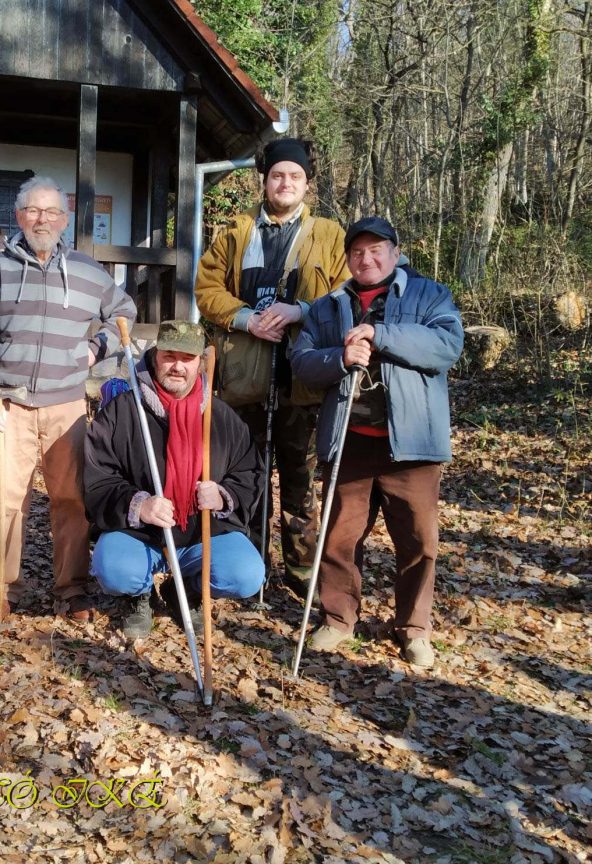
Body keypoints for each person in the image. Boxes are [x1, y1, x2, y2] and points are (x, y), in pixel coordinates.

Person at [290, 216, 464, 667]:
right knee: (338, 537)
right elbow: (303, 362)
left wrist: (379, 334)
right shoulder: (327, 306)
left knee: (418, 541)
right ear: (348, 257)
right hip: (349, 442)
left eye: (376, 250)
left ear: (394, 252)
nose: (366, 259)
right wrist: (340, 357)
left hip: (411, 446)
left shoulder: (430, 295)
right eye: (357, 252)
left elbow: (446, 346)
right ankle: (337, 618)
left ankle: (414, 629)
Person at [0, 176, 137, 621]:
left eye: (51, 212)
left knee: (71, 500)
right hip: (9, 404)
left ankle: (71, 589)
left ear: (64, 218)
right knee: (8, 501)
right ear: (19, 216)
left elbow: (124, 314)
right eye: (33, 211)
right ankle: (6, 589)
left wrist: (98, 347)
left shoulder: (86, 270)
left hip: (66, 406)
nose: (42, 220)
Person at [195, 137, 350, 598]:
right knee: (248, 477)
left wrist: (301, 311)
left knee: (301, 482)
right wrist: (247, 319)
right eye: (278, 175)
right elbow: (206, 289)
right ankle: (250, 566)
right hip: (244, 380)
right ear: (264, 180)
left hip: (301, 382)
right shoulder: (235, 230)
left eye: (295, 177)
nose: (286, 183)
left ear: (307, 184)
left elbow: (345, 291)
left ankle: (303, 576)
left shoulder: (330, 235)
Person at [84, 321, 266, 640]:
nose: (178, 366)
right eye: (170, 356)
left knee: (246, 575)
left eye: (188, 358)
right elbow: (97, 474)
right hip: (139, 532)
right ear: (155, 357)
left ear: (200, 363)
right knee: (113, 567)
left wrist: (224, 496)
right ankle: (138, 596)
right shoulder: (123, 411)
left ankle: (187, 590)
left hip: (203, 530)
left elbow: (250, 471)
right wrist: (138, 504)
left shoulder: (221, 416)